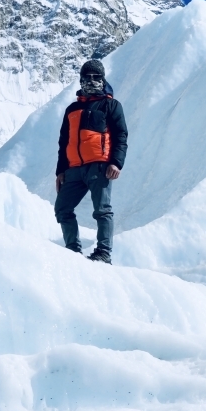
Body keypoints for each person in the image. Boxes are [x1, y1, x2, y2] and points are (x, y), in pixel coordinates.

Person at [55, 58, 127, 263]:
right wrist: (60, 171)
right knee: (62, 208)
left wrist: (116, 162)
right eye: (88, 77)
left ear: (103, 79)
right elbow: (64, 143)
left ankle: (103, 253)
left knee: (102, 210)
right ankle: (72, 251)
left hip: (100, 167)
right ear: (81, 79)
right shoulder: (72, 110)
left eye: (97, 77)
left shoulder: (111, 105)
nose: (92, 80)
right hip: (74, 170)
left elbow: (121, 136)